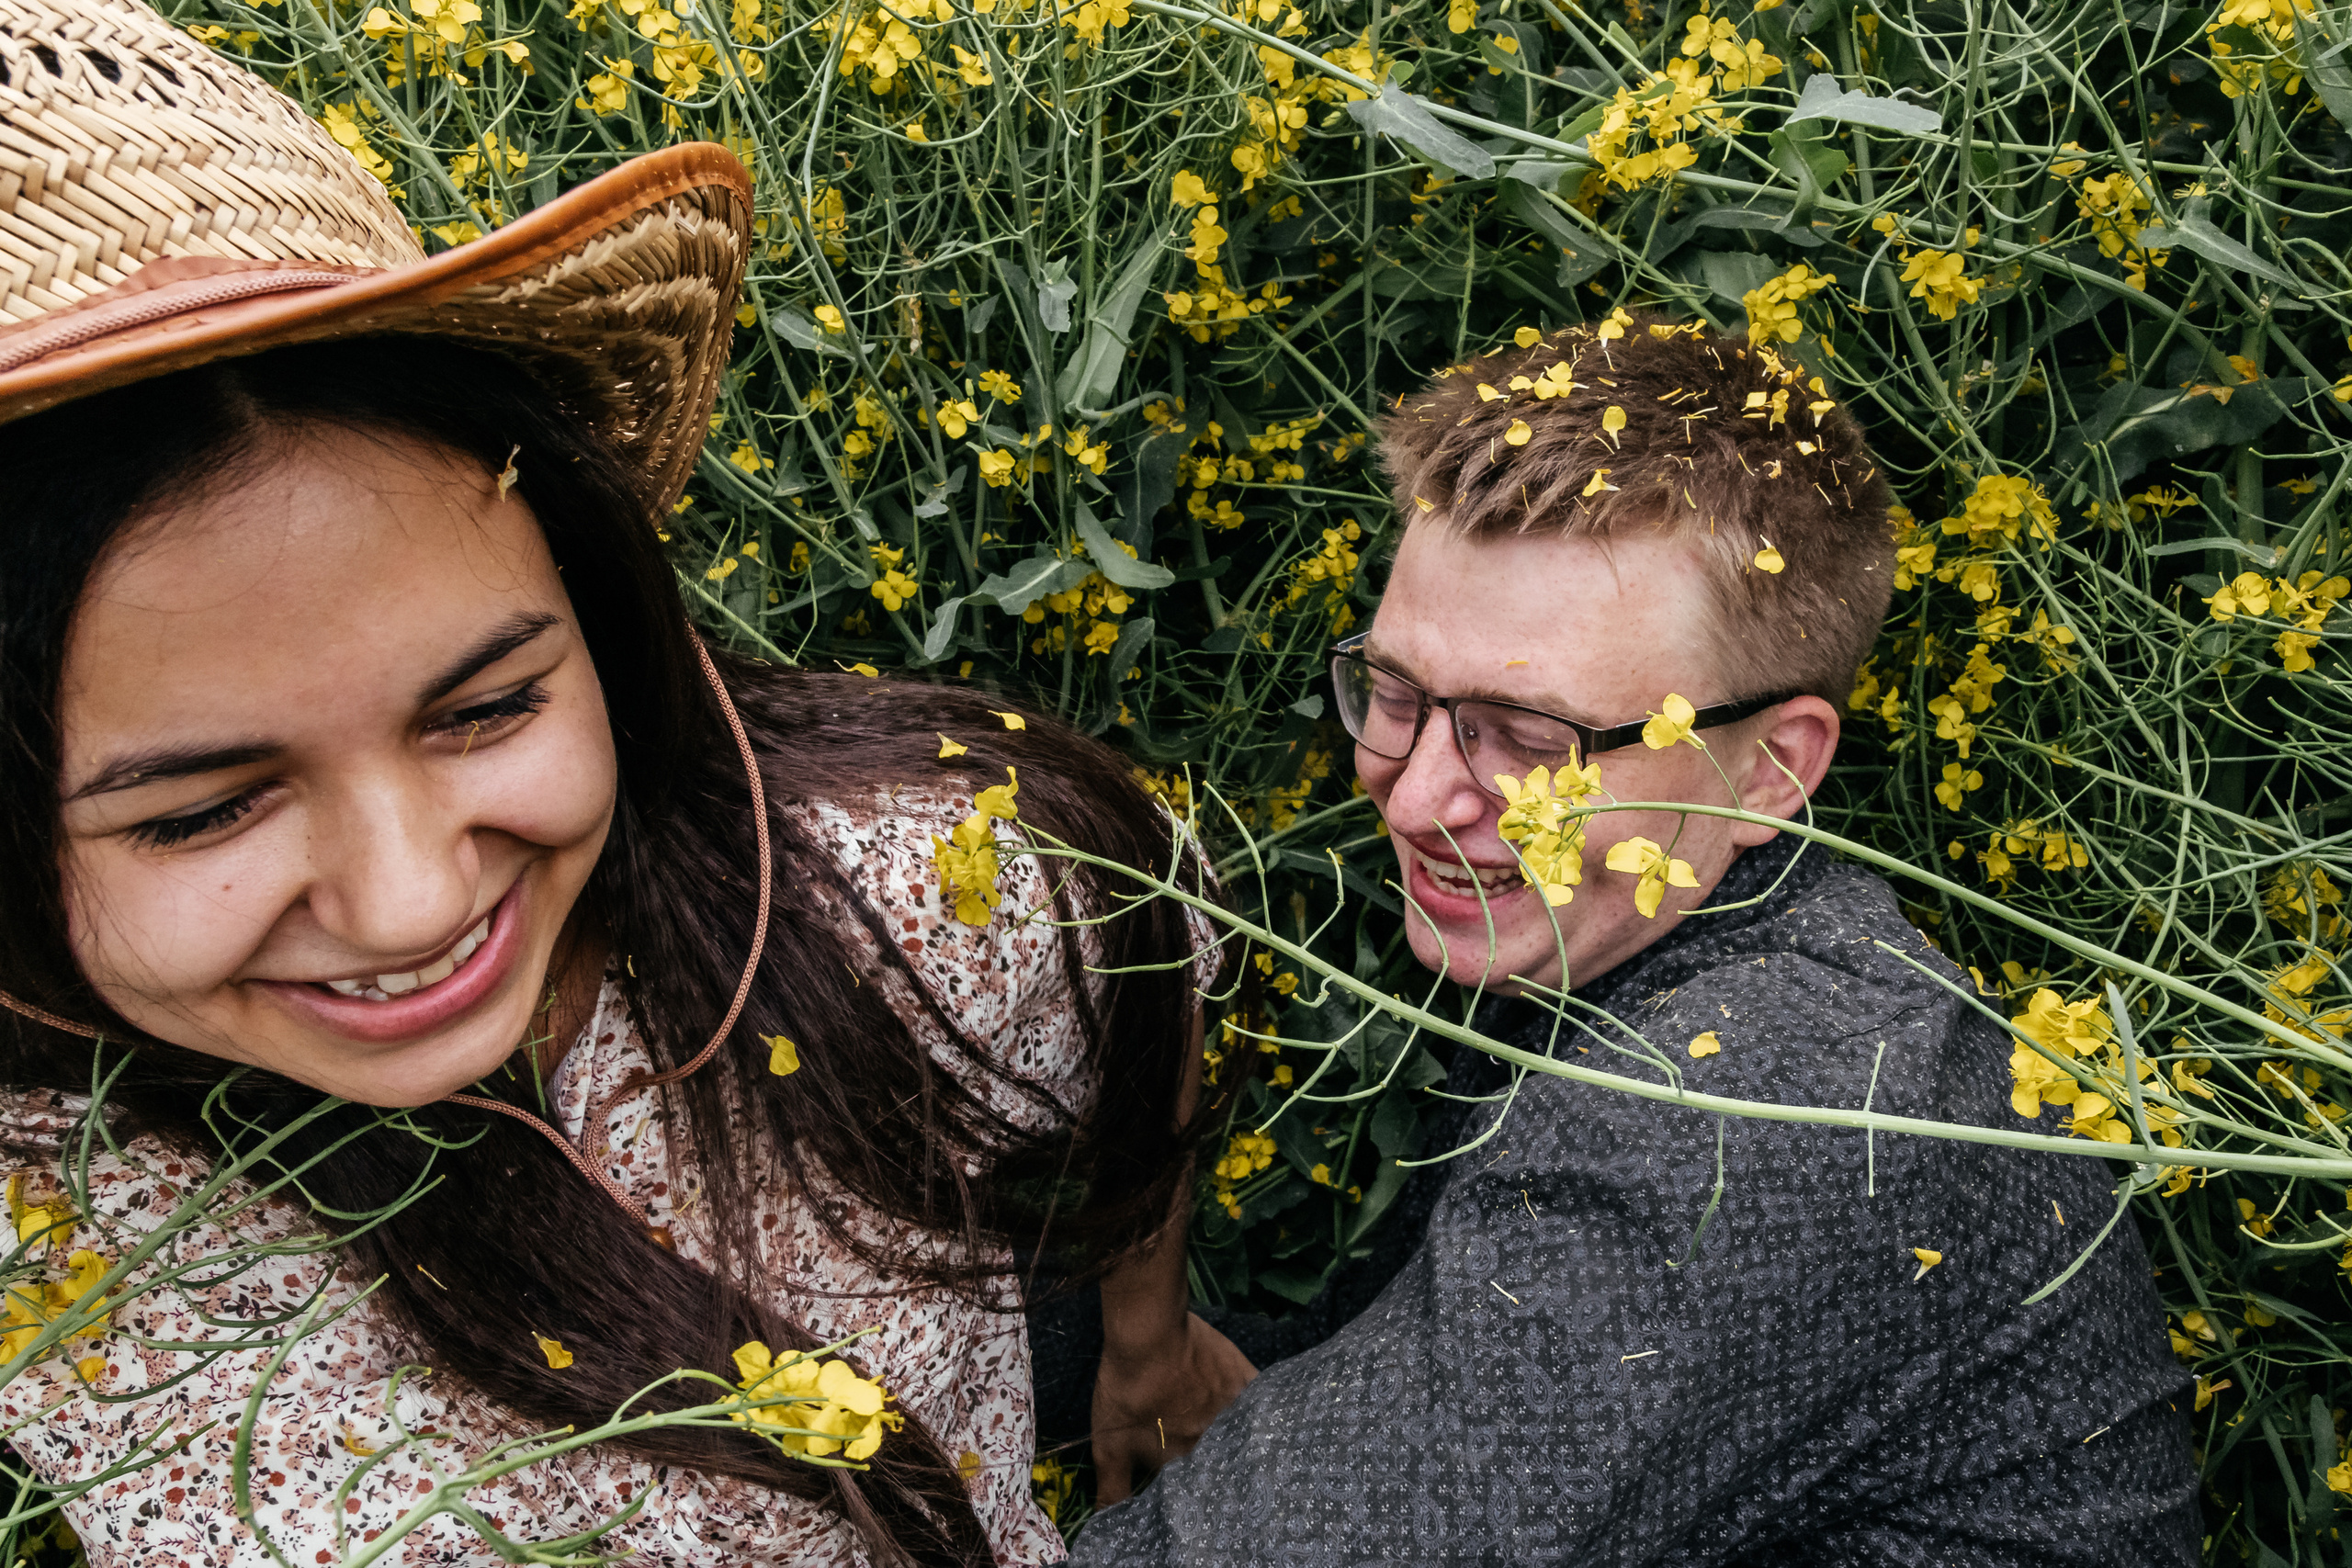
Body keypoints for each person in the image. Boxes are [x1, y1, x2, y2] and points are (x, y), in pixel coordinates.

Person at [0, 2, 1252, 1562]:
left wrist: (1148, 1341)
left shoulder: (919, 879)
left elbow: (1144, 984)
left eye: (484, 708)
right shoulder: (41, 1210)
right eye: (201, 811)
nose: (416, 900)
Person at [1069, 319, 2201, 1563]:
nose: (1409, 797)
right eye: (1395, 694)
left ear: (1774, 767)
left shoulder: (1747, 1101)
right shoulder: (1634, 936)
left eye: (1529, 737)